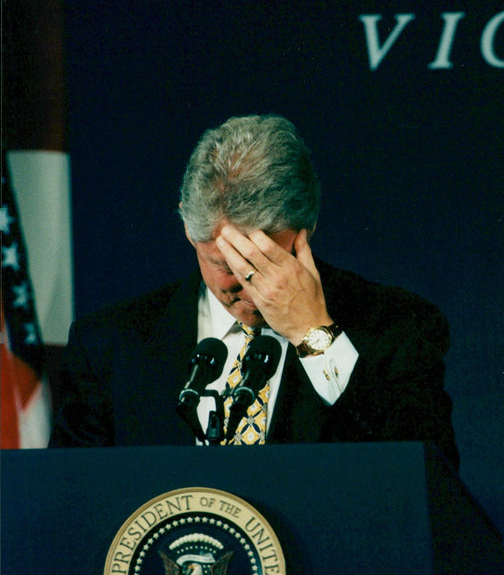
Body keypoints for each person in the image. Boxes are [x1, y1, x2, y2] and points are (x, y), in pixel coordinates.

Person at [49, 114, 459, 469]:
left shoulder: (399, 328)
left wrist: (314, 335)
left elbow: (424, 483)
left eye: (265, 264)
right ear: (189, 230)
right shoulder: (107, 346)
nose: (249, 288)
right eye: (225, 265)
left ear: (308, 229)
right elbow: (73, 502)